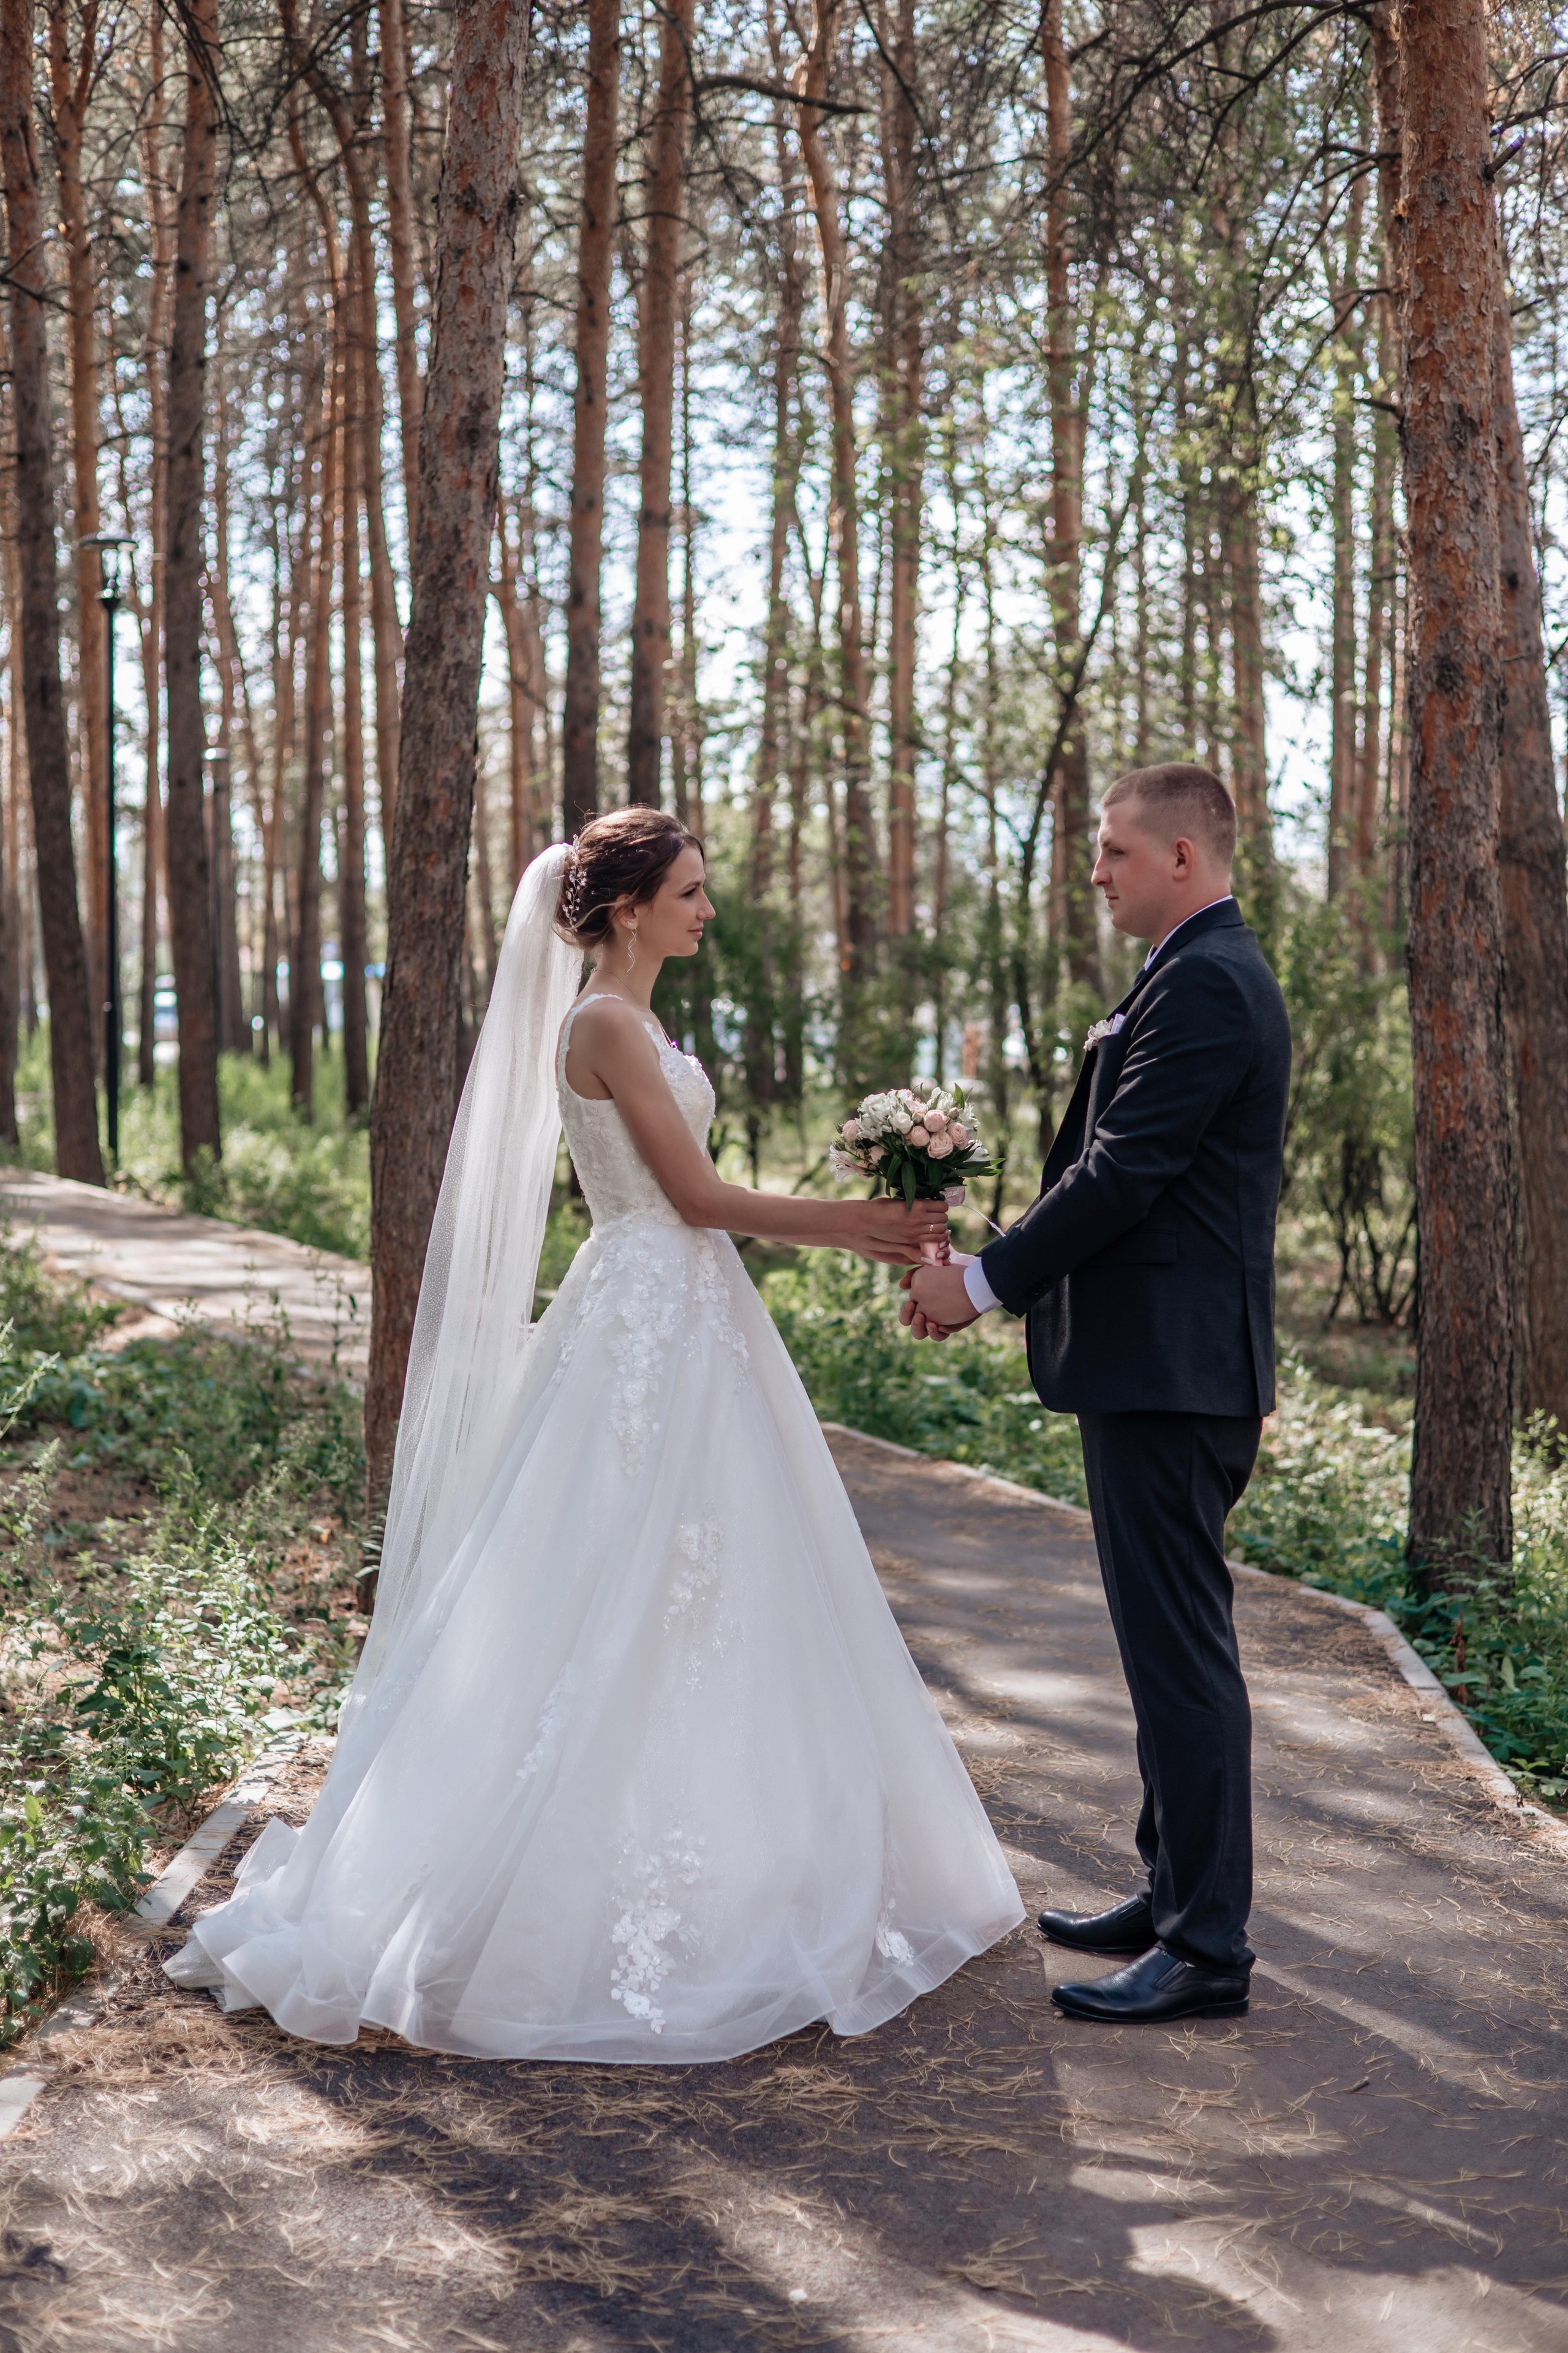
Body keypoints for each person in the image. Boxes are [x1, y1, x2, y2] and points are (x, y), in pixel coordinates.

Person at [167, 809, 1022, 2060]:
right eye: (688, 890)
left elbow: (696, 1202)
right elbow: (691, 1198)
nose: (705, 908)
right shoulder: (603, 1023)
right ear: (626, 908)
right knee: (604, 1584)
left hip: (689, 1316)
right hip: (640, 1319)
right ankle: (557, 1889)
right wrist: (858, 1224)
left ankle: (734, 1849)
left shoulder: (647, 1023)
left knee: (712, 1584)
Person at [903, 764, 1290, 2026]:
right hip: (1152, 1366)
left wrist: (981, 1279)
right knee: (1157, 1643)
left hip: (1176, 1374)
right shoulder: (1182, 970)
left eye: (1114, 852)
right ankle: (1169, 1886)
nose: (1097, 871)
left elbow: (1122, 1174)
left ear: (1182, 857)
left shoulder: (1212, 983)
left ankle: (1205, 1947)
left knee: (1180, 1655)